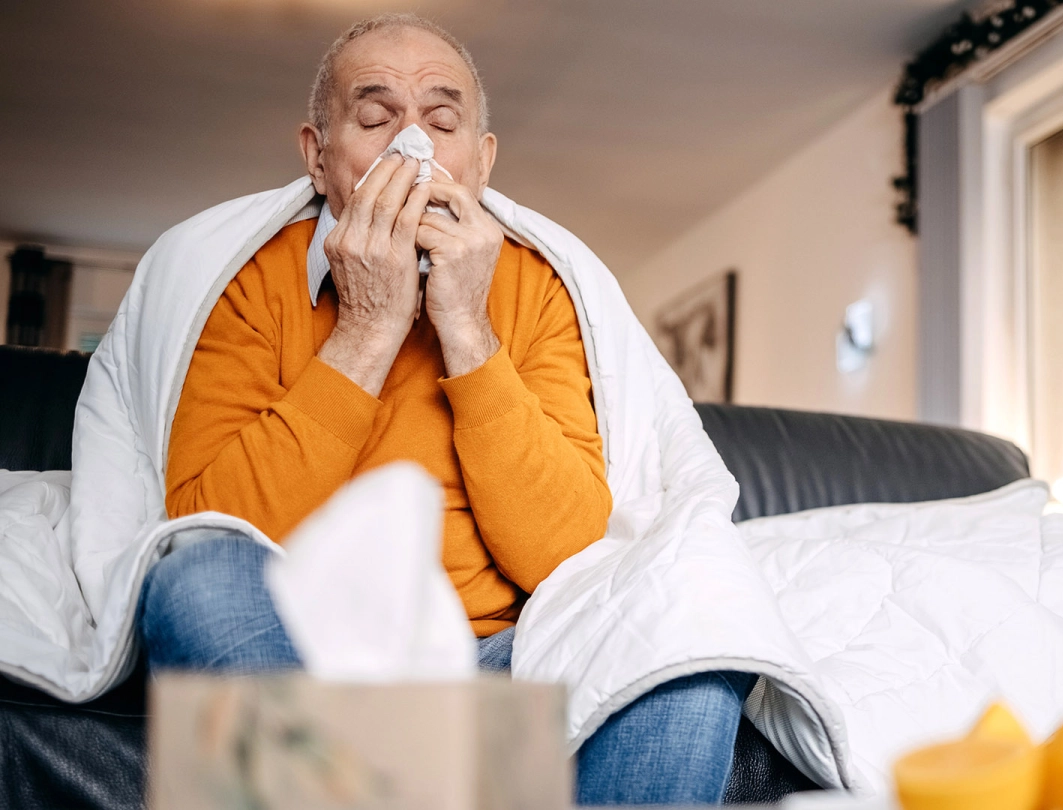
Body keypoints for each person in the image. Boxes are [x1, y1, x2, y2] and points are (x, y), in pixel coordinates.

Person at [139, 13, 754, 805]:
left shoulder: (539, 289)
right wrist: (365, 328)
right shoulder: (245, 284)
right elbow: (208, 522)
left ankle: (349, 782)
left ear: (482, 161)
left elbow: (569, 552)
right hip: (304, 655)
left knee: (695, 630)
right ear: (317, 157)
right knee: (194, 578)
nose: (413, 147)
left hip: (500, 665)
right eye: (374, 117)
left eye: (441, 120)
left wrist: (467, 328)